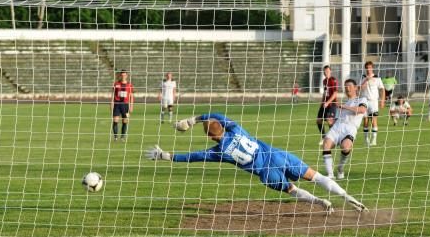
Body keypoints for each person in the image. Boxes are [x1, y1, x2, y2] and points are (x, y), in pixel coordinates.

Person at [146, 113, 367, 213]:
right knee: (316, 176)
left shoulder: (218, 152)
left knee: (293, 190)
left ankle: (321, 204)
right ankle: (348, 197)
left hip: (265, 172)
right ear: (223, 127)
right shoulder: (236, 129)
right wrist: (195, 119)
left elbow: (191, 157)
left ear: (211, 137)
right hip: (278, 156)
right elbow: (217, 114)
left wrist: (164, 155)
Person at [322, 79, 368, 180]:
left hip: (350, 128)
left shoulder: (361, 100)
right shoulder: (344, 103)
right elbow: (338, 119)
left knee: (346, 147)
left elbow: (362, 110)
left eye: (350, 86)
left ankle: (340, 168)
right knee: (326, 144)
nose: (347, 89)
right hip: (337, 127)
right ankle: (330, 175)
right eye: (346, 87)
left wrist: (344, 107)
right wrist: (332, 122)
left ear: (356, 88)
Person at [359, 61, 385, 146]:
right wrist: (366, 80)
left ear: (372, 68)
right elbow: (360, 88)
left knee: (374, 120)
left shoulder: (377, 78)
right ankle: (366, 139)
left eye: (370, 67)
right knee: (365, 120)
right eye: (367, 68)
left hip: (373, 101)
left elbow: (382, 89)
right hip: (364, 101)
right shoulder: (362, 77)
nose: (368, 69)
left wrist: (382, 100)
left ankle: (374, 140)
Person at [316, 65, 338, 143]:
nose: (326, 73)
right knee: (318, 120)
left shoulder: (333, 80)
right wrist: (322, 103)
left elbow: (335, 93)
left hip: (332, 104)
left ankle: (333, 137)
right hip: (325, 104)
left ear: (330, 71)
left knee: (329, 120)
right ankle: (323, 137)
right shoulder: (324, 81)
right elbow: (325, 93)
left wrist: (328, 102)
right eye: (325, 72)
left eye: (328, 71)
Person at [112, 70, 133, 140]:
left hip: (125, 105)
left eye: (124, 75)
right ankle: (115, 137)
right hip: (117, 104)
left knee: (125, 121)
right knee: (115, 120)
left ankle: (122, 137)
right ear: (120, 76)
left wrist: (131, 106)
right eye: (122, 75)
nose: (123, 76)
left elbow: (131, 96)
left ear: (126, 76)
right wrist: (111, 103)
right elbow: (113, 94)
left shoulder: (129, 85)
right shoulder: (116, 84)